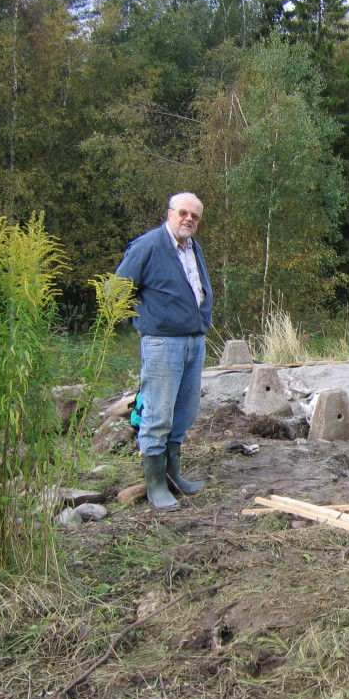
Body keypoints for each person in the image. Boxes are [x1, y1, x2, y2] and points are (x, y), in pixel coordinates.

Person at [115, 192, 213, 510]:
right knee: (157, 414)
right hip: (162, 342)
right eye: (183, 213)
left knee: (184, 412)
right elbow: (116, 290)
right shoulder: (149, 245)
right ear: (170, 213)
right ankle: (156, 485)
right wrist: (144, 321)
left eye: (195, 216)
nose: (189, 219)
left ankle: (173, 477)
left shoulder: (191, 247)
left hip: (193, 340)